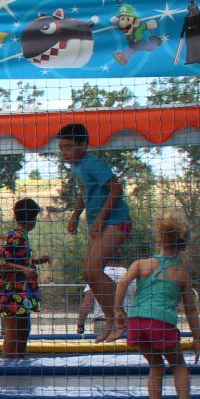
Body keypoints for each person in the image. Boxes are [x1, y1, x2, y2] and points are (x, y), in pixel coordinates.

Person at [112, 214, 200, 399]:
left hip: (137, 324)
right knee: (179, 365)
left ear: (159, 239)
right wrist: (197, 338)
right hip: (161, 325)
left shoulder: (142, 264)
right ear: (183, 246)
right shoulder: (181, 273)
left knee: (155, 365)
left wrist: (118, 311)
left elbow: (122, 283)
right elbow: (190, 309)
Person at [56, 125, 131, 340]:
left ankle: (119, 318)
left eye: (69, 147)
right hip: (102, 224)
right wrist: (75, 215)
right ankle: (111, 320)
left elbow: (116, 188)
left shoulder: (93, 164)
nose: (65, 153)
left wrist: (99, 218)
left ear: (83, 145)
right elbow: (84, 192)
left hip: (117, 222)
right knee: (88, 274)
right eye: (61, 149)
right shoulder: (77, 167)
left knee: (94, 270)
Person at [0, 199, 54, 360]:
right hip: (12, 291)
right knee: (13, 330)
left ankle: (19, 360)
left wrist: (35, 261)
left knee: (24, 327)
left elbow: (16, 260)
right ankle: (10, 363)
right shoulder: (15, 236)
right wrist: (25, 269)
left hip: (21, 292)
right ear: (32, 219)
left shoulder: (23, 236)